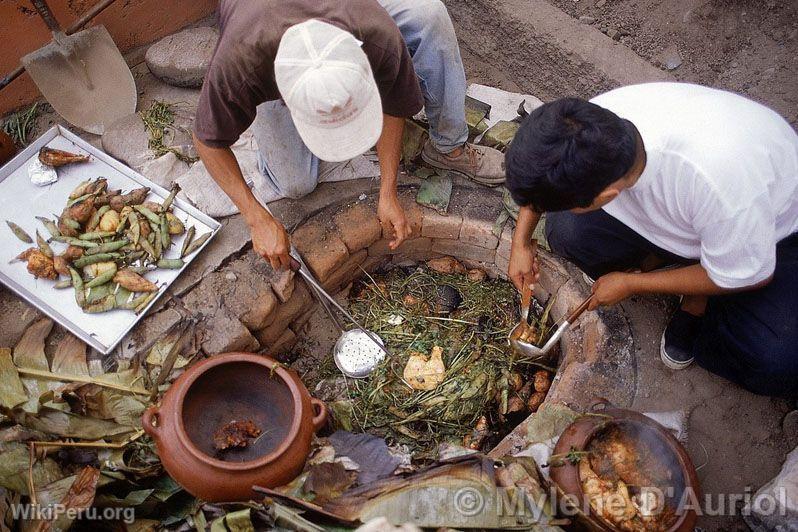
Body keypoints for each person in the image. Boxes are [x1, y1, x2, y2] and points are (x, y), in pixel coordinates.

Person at [505, 82, 798, 398]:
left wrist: (634, 284)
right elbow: (541, 177)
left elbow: (753, 276)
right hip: (690, 220)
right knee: (566, 232)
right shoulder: (589, 124)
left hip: (770, 233)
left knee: (774, 359)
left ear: (607, 195)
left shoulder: (719, 185)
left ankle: (698, 303)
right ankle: (674, 262)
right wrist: (520, 243)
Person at [193, 0, 504, 271]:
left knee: (430, 15)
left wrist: (388, 190)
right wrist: (256, 218)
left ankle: (448, 146)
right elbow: (206, 141)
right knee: (295, 183)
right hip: (263, 26)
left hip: (344, 12)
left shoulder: (376, 34)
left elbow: (394, 103)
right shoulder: (239, 66)